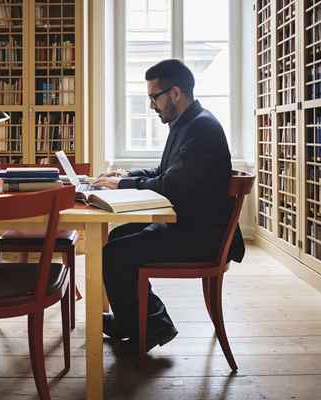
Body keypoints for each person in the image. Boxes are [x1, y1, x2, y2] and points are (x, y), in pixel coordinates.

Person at [93, 59, 244, 352]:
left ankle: (151, 326)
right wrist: (125, 176)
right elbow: (166, 173)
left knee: (114, 253)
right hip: (190, 225)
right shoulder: (188, 124)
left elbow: (171, 186)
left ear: (175, 93)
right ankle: (137, 321)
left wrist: (122, 186)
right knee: (119, 236)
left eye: (154, 97)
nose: (152, 105)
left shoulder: (202, 129)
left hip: (200, 238)